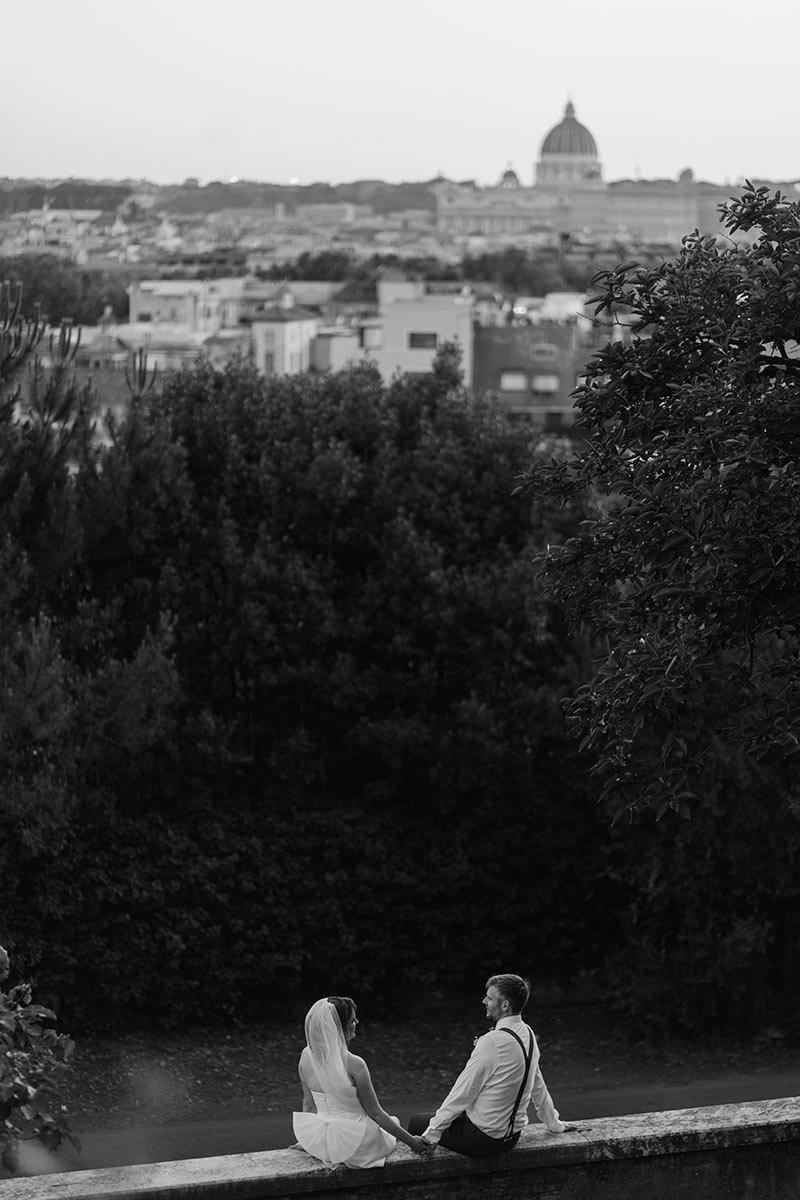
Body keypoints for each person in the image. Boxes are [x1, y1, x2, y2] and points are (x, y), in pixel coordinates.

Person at [408, 973, 566, 1157]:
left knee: (417, 1123)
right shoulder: (528, 1033)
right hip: (511, 1137)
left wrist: (431, 1136)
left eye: (490, 998)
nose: (484, 1001)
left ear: (505, 1005)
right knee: (451, 1116)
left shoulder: (492, 1042)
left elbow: (462, 1093)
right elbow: (537, 1084)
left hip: (483, 1140)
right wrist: (554, 1124)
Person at [292, 995, 431, 1168]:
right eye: (352, 1020)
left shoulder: (306, 1056)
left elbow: (309, 1105)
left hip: (325, 1142)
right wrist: (412, 1142)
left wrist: (310, 1140)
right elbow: (376, 1113)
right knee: (393, 1122)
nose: (356, 1021)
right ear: (338, 1028)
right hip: (357, 1144)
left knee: (392, 1122)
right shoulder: (355, 1064)